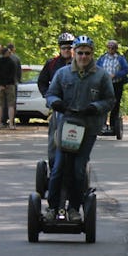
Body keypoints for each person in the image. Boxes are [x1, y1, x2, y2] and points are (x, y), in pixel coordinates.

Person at [44, 35, 115, 222]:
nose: (83, 57)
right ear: (74, 53)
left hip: (88, 128)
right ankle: (52, 207)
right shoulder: (63, 74)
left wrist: (95, 107)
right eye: (80, 53)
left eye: (87, 53)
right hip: (65, 125)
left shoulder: (100, 75)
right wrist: (56, 103)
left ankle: (75, 208)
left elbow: (110, 100)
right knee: (58, 167)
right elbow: (50, 94)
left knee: (78, 169)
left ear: (92, 54)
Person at [39, 33, 75, 164]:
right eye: (64, 48)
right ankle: (53, 163)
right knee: (54, 137)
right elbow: (42, 82)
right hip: (57, 106)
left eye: (69, 47)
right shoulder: (52, 63)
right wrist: (48, 97)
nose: (66, 50)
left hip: (75, 106)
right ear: (60, 49)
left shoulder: (80, 62)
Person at [96, 39, 128, 132]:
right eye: (109, 47)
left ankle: (113, 125)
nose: (111, 49)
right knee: (104, 103)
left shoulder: (120, 58)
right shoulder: (102, 58)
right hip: (104, 84)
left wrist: (115, 75)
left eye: (113, 48)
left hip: (117, 84)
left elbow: (126, 70)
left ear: (116, 48)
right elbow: (96, 68)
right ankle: (102, 124)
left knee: (115, 104)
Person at [0, 45, 21, 129]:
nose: (11, 53)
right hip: (10, 85)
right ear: (6, 53)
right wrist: (5, 84)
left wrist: (0, 84)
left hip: (0, 86)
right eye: (9, 52)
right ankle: (11, 123)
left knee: (0, 105)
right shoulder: (12, 63)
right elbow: (13, 75)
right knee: (11, 105)